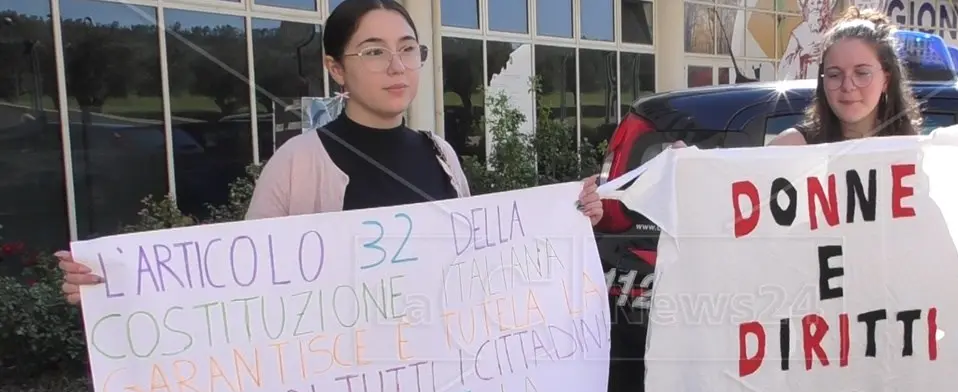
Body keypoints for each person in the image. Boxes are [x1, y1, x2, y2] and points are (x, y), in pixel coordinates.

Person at [55, 0, 603, 304]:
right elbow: (238, 282)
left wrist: (567, 218)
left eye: (408, 49)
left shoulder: (440, 154)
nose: (397, 66)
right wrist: (119, 285)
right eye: (374, 52)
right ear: (336, 69)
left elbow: (477, 257)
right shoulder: (298, 164)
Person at [768, 7, 958, 146]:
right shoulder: (792, 147)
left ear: (886, 79)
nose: (848, 85)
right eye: (834, 74)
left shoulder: (911, 152)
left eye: (862, 73)